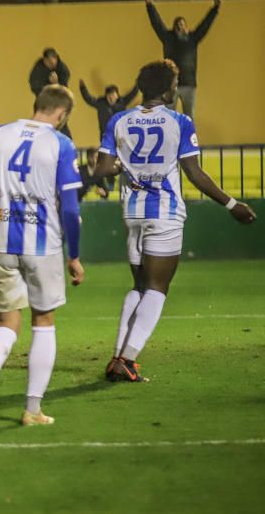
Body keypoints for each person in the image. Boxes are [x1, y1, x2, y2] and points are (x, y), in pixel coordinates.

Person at [94, 59, 255, 383]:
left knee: (140, 286)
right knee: (157, 289)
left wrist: (126, 168)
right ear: (168, 89)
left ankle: (118, 358)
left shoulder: (119, 121)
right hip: (164, 212)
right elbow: (194, 173)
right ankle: (127, 359)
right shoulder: (179, 121)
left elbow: (103, 169)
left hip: (133, 212)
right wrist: (232, 204)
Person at [0, 84, 85, 427]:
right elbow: (71, 208)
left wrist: (1, 215)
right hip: (43, 247)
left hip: (3, 243)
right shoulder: (61, 143)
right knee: (43, 323)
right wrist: (74, 255)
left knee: (8, 323)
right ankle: (32, 409)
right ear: (62, 115)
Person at [144, 0, 220, 119]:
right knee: (169, 118)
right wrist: (149, 6)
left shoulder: (193, 39)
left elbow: (205, 25)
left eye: (182, 25)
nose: (180, 27)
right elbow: (157, 23)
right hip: (171, 84)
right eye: (178, 25)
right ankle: (171, 138)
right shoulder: (168, 38)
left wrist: (215, 8)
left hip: (189, 84)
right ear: (174, 27)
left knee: (189, 118)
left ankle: (189, 139)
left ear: (186, 27)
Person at [28, 48, 72, 139]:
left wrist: (56, 84)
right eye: (50, 63)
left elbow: (64, 87)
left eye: (54, 61)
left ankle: (67, 142)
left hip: (58, 102)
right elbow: (34, 86)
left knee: (61, 125)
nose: (53, 64)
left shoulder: (61, 69)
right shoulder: (38, 70)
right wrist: (49, 87)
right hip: (43, 102)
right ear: (45, 60)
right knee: (40, 123)